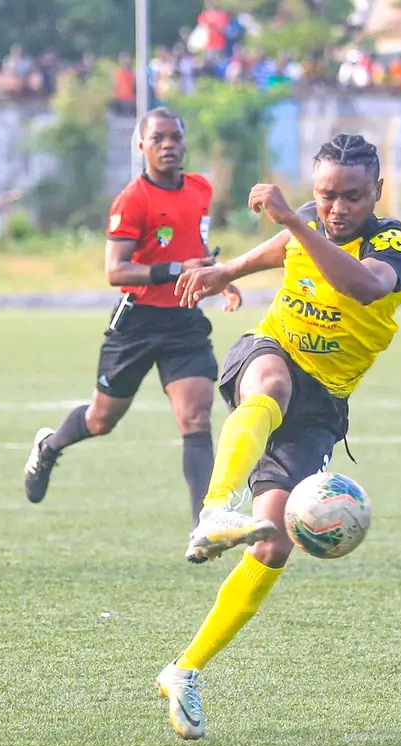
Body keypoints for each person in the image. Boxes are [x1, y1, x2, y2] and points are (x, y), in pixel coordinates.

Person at [154, 134, 401, 740]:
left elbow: (363, 287)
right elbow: (281, 246)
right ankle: (214, 511)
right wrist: (227, 270)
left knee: (272, 544)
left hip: (323, 402)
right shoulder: (305, 223)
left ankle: (184, 670)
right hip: (271, 349)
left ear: (377, 192)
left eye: (352, 196)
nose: (336, 208)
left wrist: (298, 225)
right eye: (325, 195)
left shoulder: (392, 243)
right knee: (269, 383)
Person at [23, 108, 242, 529]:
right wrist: (176, 270)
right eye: (158, 139)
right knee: (101, 419)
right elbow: (116, 271)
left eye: (175, 137)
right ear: (141, 146)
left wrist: (219, 280)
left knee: (196, 418)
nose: (168, 145)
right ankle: (49, 446)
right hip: (137, 323)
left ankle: (205, 526)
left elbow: (195, 248)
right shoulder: (132, 199)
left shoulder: (200, 188)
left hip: (184, 320)